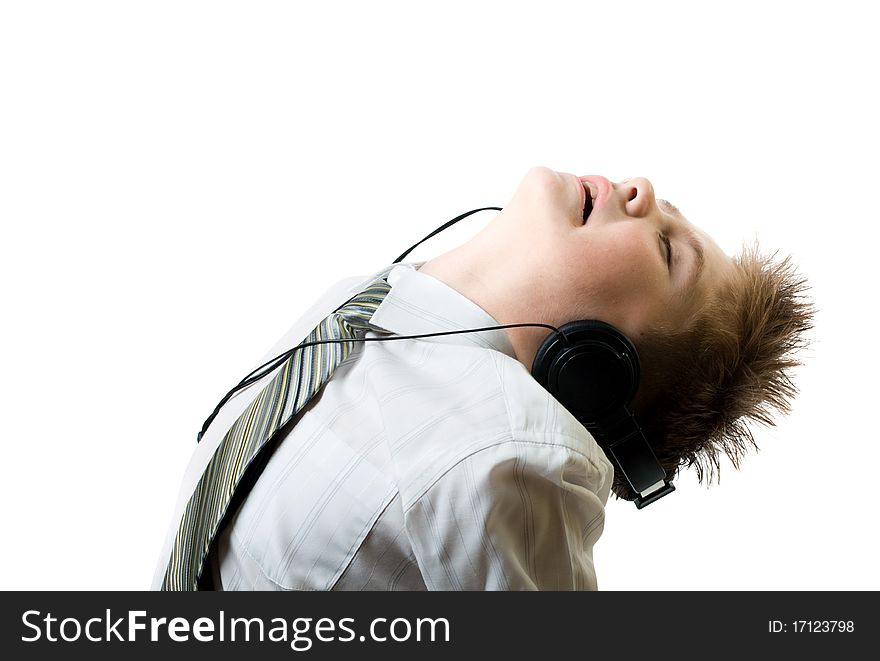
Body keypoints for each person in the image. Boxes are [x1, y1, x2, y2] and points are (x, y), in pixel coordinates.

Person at [151, 166, 813, 590]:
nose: (643, 188)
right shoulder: (363, 305)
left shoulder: (523, 450)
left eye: (669, 250)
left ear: (594, 371)